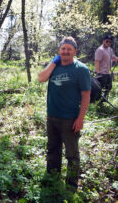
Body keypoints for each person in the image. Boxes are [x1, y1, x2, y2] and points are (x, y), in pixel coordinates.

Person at [38, 37, 91, 192]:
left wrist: (80, 119)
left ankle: (71, 187)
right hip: (52, 117)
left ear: (75, 51)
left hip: (70, 119)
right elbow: (41, 78)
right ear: (59, 50)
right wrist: (54, 62)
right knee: (52, 150)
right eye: (63, 49)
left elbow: (86, 95)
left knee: (72, 154)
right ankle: (52, 180)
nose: (66, 51)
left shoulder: (81, 69)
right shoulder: (54, 66)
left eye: (69, 49)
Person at [94, 34, 118, 100]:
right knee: (99, 88)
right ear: (103, 41)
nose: (108, 43)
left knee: (109, 87)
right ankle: (96, 101)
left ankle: (103, 99)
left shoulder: (110, 49)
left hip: (107, 72)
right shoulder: (100, 50)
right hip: (101, 73)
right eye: (107, 41)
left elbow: (113, 57)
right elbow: (97, 61)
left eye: (110, 42)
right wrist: (98, 72)